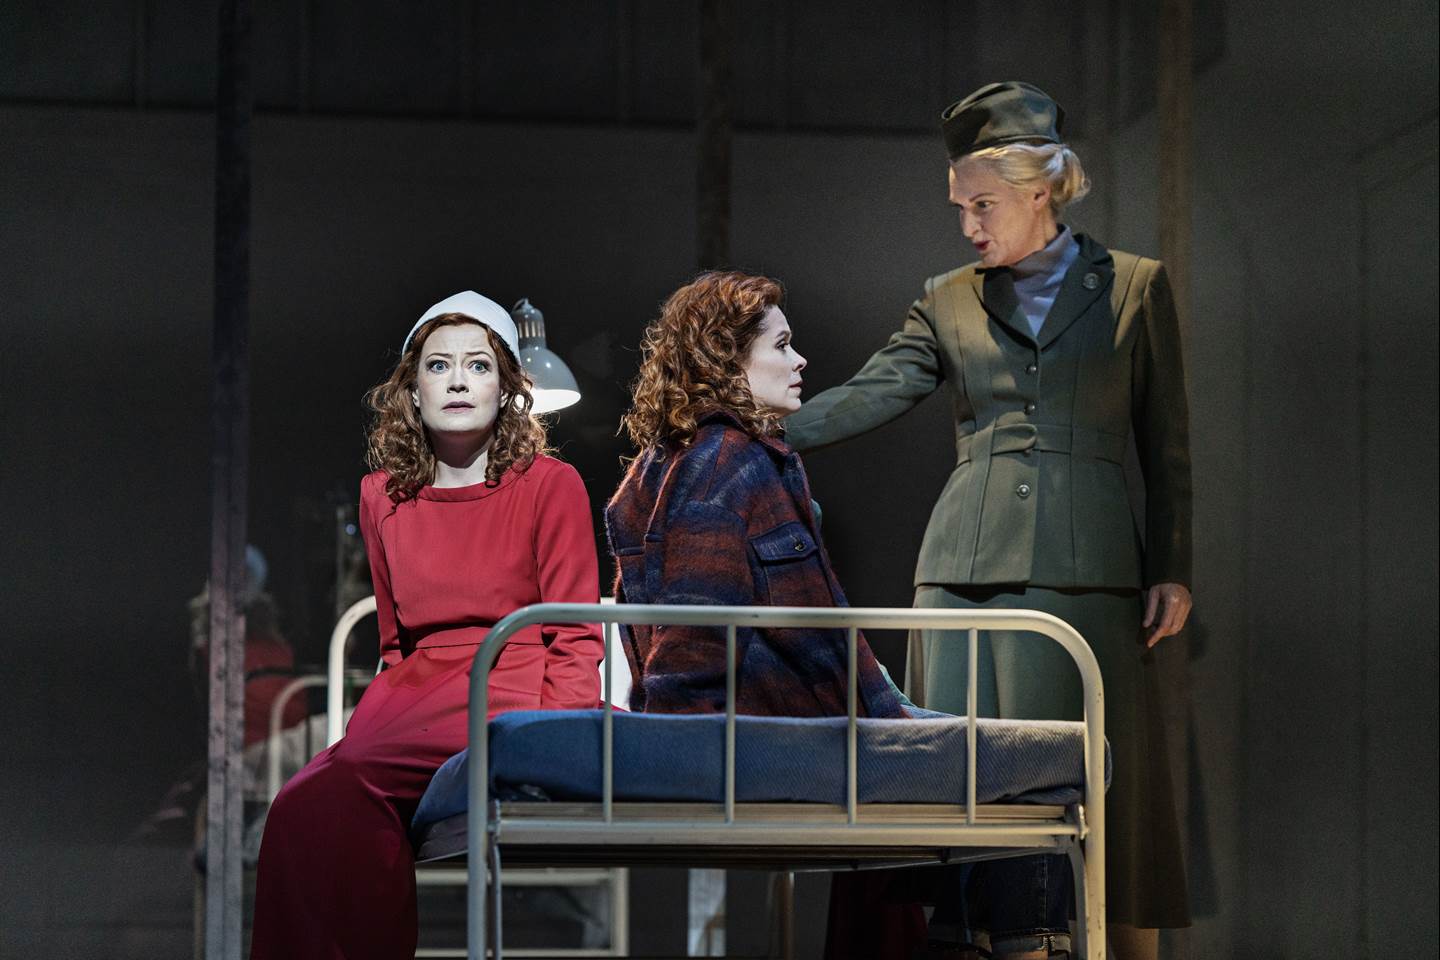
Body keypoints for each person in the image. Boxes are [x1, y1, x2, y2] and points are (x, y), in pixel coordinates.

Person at [785, 81, 1193, 958]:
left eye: (984, 203)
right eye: (959, 205)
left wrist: (1173, 566)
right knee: (962, 796)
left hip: (1091, 577)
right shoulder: (949, 297)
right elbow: (873, 390)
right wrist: (762, 432)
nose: (969, 224)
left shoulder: (1132, 288)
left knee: (1090, 801)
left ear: (1040, 189)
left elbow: (1168, 448)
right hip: (962, 575)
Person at [250, 291, 605, 960]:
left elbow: (575, 629)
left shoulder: (548, 483)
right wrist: (382, 716)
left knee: (349, 778)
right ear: (412, 391)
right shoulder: (381, 493)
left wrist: (559, 743)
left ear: (505, 387)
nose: (460, 380)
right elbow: (394, 639)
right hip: (414, 693)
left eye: (478, 365)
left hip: (508, 683)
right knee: (295, 809)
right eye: (439, 367)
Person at [605, 271, 927, 960]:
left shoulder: (678, 458)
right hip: (774, 731)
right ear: (728, 359)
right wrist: (688, 756)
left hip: (792, 723)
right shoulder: (729, 460)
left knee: (944, 772)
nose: (800, 360)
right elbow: (694, 629)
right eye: (781, 345)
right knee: (1014, 795)